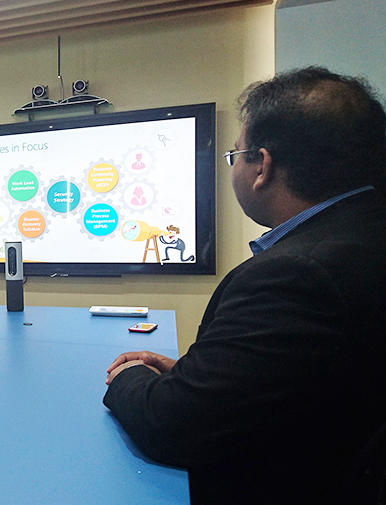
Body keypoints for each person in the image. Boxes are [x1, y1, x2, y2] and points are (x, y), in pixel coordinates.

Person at [103, 67, 386, 505]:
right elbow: (312, 378)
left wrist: (128, 376)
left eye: (234, 155)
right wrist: (205, 375)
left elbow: (173, 426)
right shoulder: (365, 234)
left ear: (262, 166)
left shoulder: (296, 274)